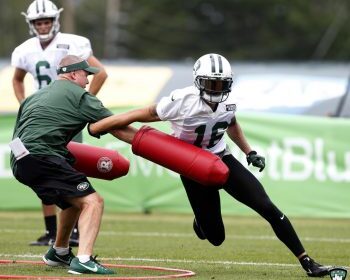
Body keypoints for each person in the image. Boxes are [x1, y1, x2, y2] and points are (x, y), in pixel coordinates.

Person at [88, 53, 331, 277]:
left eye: (221, 84)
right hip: (191, 165)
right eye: (210, 83)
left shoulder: (229, 102)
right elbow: (140, 114)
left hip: (221, 157)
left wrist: (250, 151)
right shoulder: (182, 100)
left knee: (266, 206)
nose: (216, 89)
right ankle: (201, 221)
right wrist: (103, 125)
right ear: (197, 81)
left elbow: (232, 123)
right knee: (215, 237)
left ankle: (307, 262)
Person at [9, 55, 126, 275]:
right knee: (93, 202)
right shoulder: (80, 96)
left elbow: (20, 133)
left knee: (72, 203)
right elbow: (118, 127)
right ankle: (83, 260)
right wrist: (150, 142)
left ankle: (59, 252)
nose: (88, 81)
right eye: (86, 75)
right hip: (43, 156)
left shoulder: (33, 97)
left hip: (19, 160)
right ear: (73, 74)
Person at [11, 0, 108, 247]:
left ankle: (70, 234)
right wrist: (25, 103)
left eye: (46, 21)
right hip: (41, 115)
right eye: (38, 22)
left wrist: (82, 102)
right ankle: (52, 232)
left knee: (65, 169)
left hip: (64, 116)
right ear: (31, 24)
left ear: (55, 20)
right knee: (48, 168)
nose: (42, 26)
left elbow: (100, 72)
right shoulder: (24, 49)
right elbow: (17, 79)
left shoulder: (74, 42)